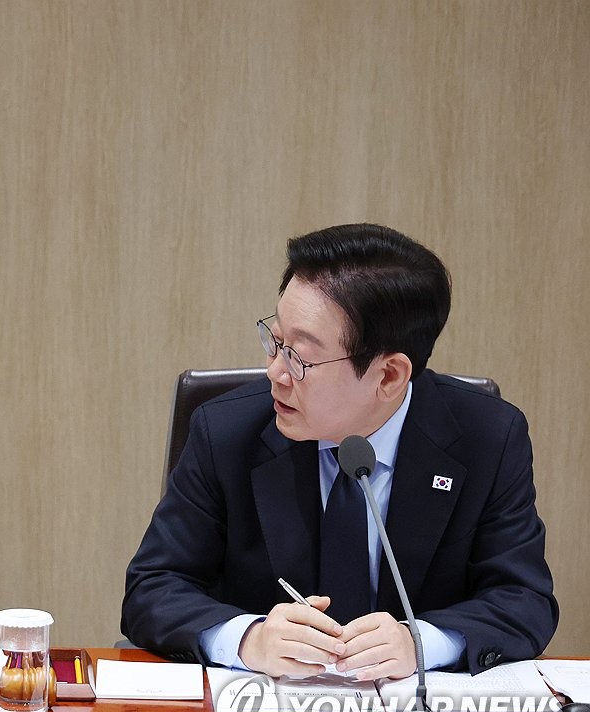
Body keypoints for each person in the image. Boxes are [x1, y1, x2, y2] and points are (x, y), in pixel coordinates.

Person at [121, 223, 557, 679]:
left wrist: (421, 643)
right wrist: (248, 639)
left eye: (300, 358)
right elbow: (152, 588)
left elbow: (524, 600)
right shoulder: (227, 432)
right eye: (276, 341)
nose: (275, 372)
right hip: (262, 709)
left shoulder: (488, 439)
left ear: (389, 376)